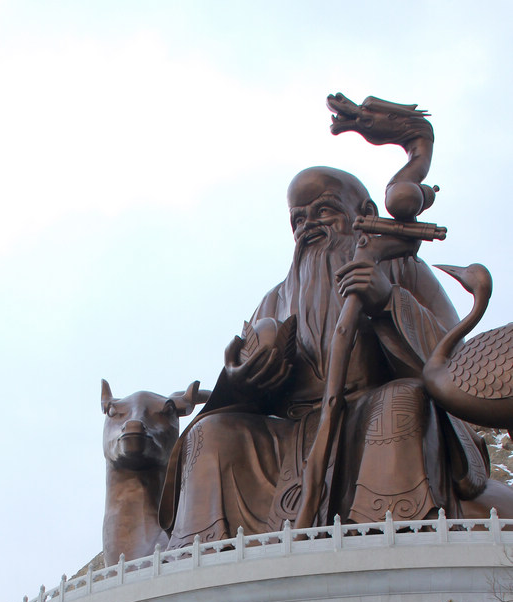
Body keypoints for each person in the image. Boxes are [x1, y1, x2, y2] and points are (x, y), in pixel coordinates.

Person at [159, 166, 513, 546]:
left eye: (324, 211)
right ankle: (207, 549)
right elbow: (252, 394)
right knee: (210, 434)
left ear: (364, 211)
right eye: (298, 218)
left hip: (368, 415)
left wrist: (389, 302)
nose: (308, 225)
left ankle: (381, 534)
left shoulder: (399, 267)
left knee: (401, 399)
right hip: (293, 436)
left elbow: (452, 358)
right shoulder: (275, 298)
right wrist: (240, 380)